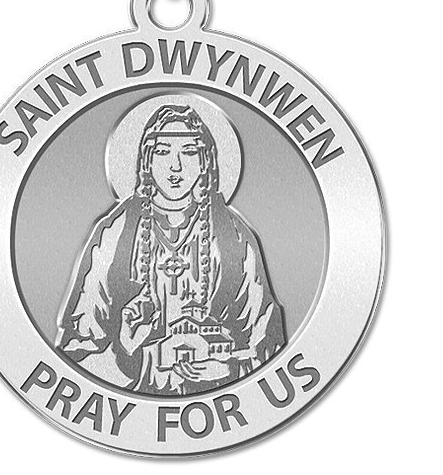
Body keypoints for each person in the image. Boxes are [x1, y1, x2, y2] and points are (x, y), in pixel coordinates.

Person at [55, 104, 285, 395]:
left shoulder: (232, 235)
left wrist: (230, 371)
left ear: (205, 161)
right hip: (130, 405)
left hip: (219, 402)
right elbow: (76, 356)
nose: (175, 166)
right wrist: (126, 353)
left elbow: (268, 344)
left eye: (188, 152)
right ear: (147, 161)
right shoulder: (116, 233)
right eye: (163, 152)